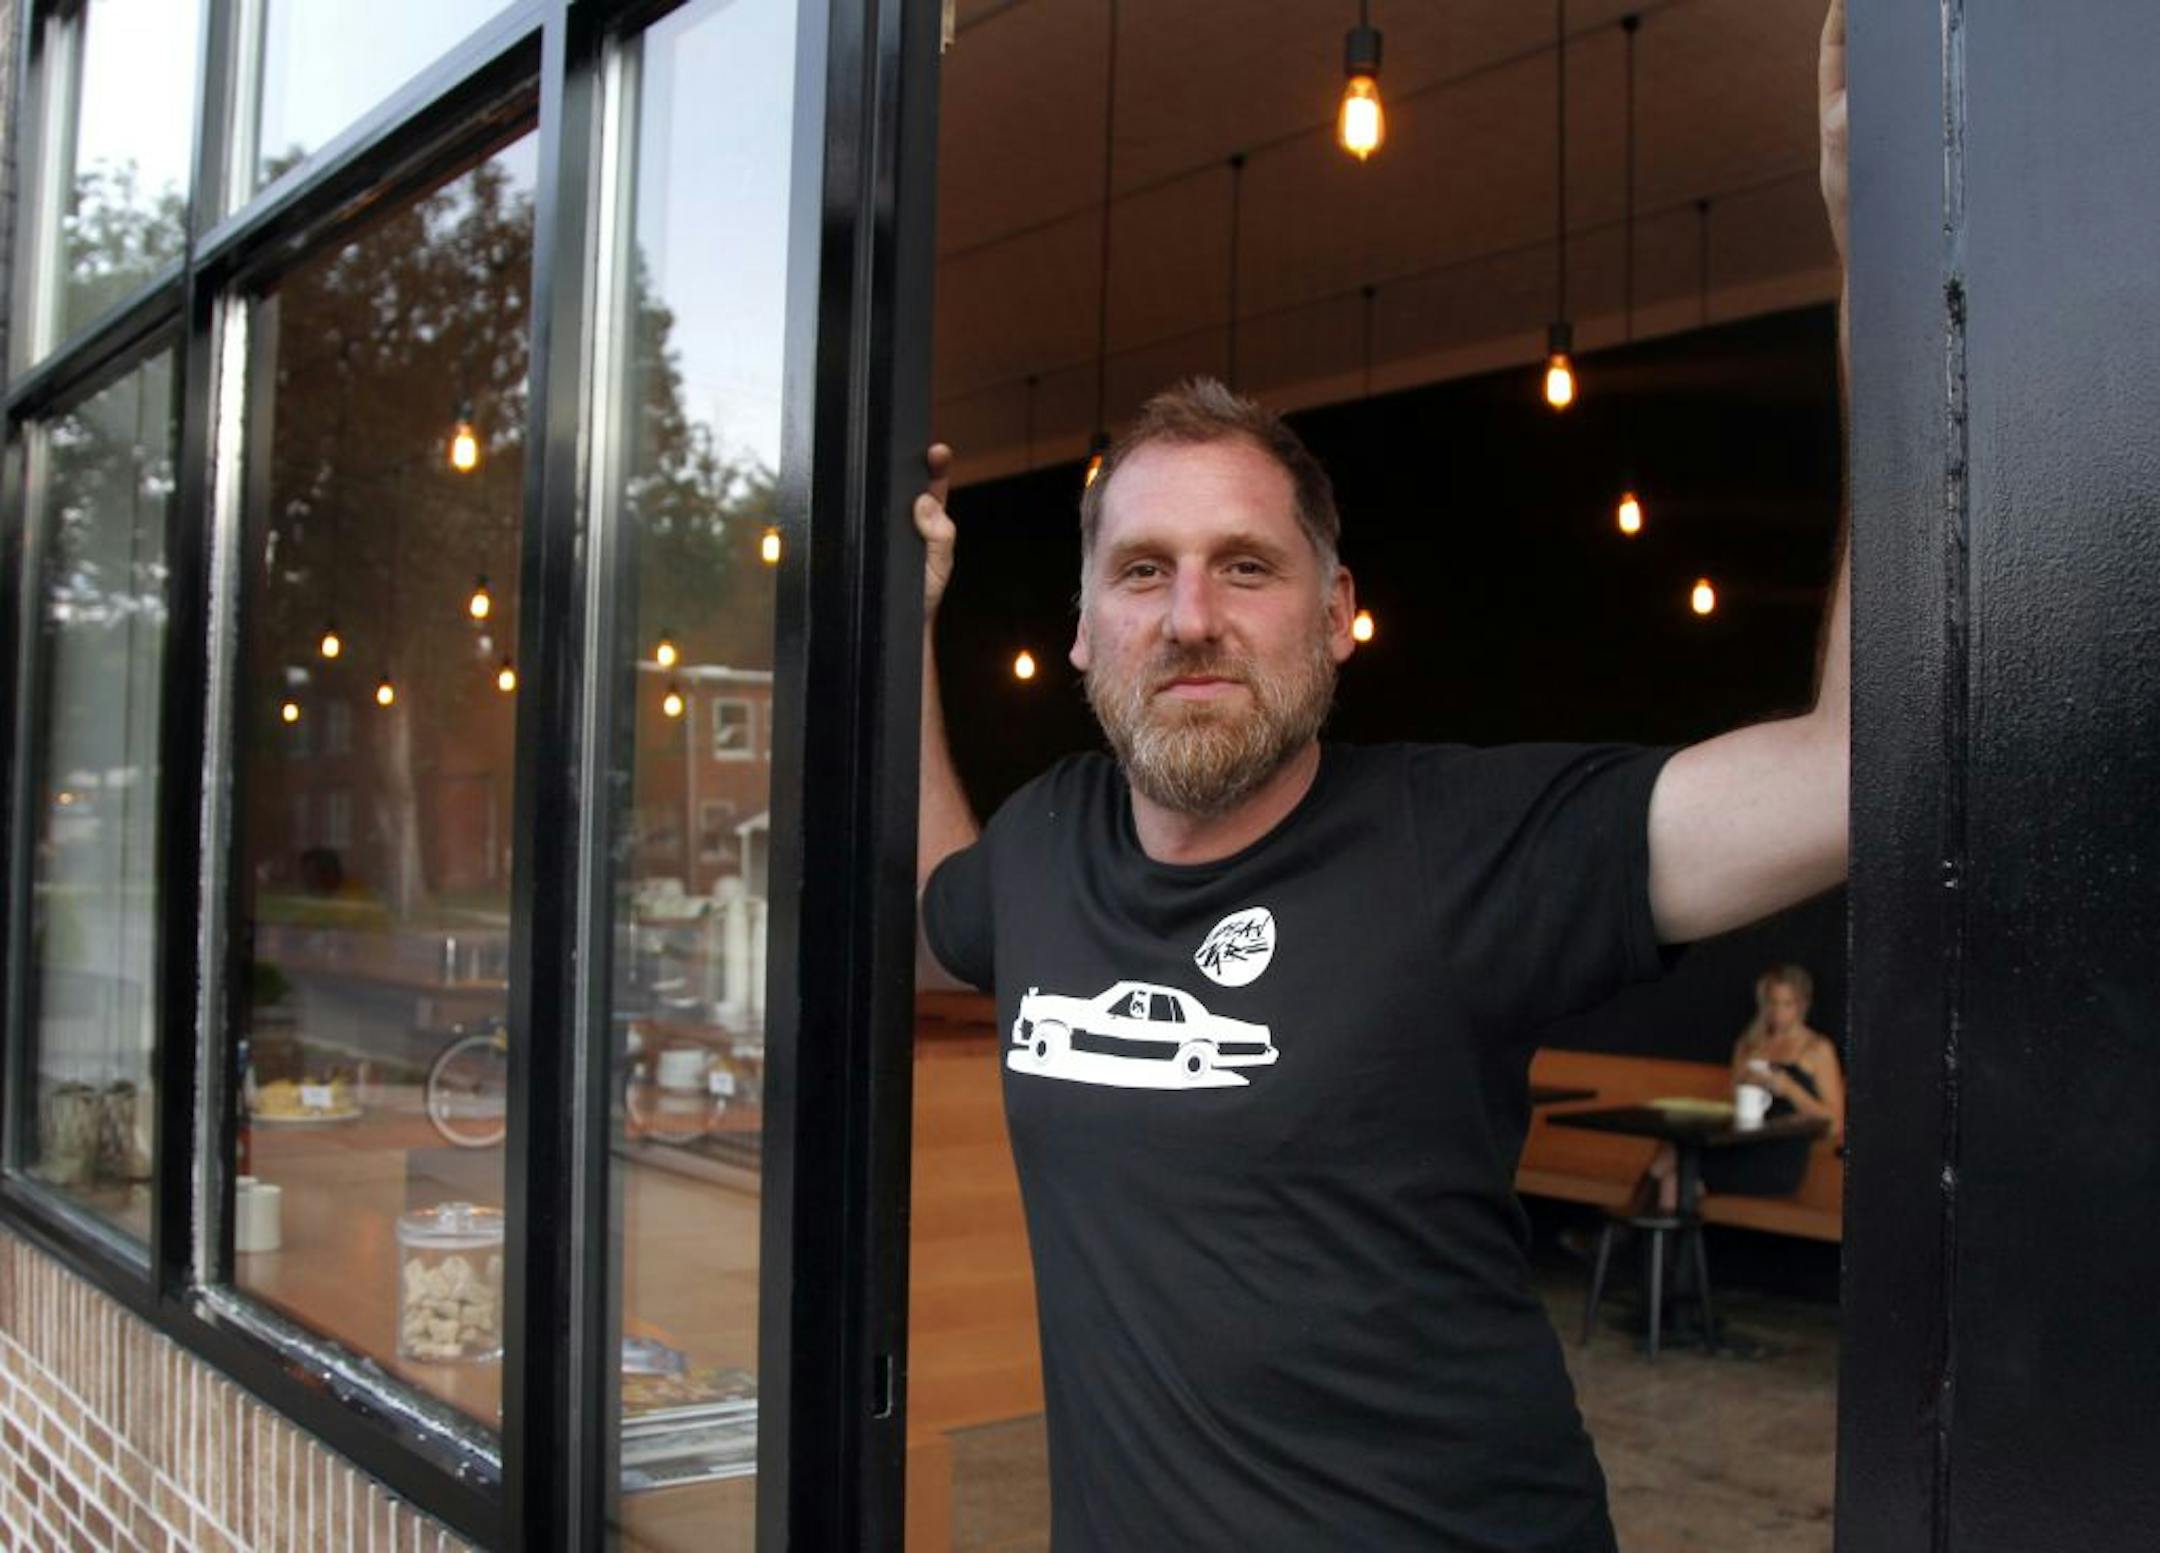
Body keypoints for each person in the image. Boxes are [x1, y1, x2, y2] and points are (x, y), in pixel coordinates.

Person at [911, 7, 1848, 1547]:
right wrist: (907, 631)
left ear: (1338, 617)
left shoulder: (1455, 842)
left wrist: (1873, 253)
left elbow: (1841, 775)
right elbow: (939, 888)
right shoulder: (1046, 848)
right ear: (1080, 631)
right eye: (1141, 571)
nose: (1192, 615)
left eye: (1247, 566)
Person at [1638, 964, 1847, 1215]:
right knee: (1671, 1154)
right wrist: (1745, 1084)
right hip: (1742, 1146)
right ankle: (1641, 1242)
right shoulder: (1749, 1045)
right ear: (1763, 1003)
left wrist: (1789, 1088)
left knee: (1676, 1175)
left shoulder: (1817, 1049)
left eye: (1787, 1003)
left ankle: (1624, 1238)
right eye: (1772, 1002)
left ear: (1802, 1004)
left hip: (1778, 1159)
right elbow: (1730, 1108)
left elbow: (1834, 1123)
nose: (1778, 1012)